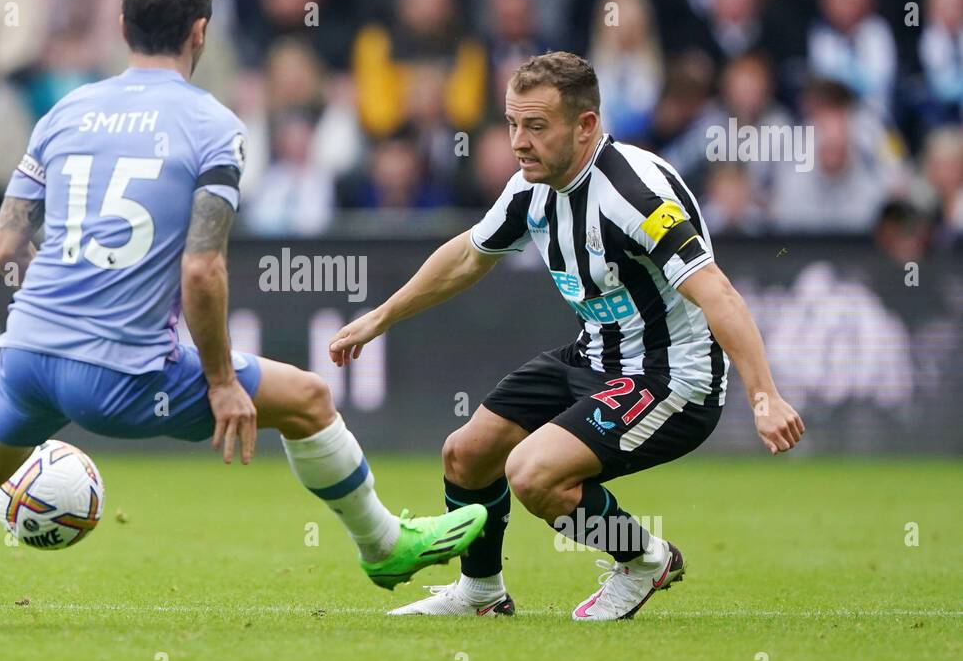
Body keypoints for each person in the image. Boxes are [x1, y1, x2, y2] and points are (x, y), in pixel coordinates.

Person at [0, 0, 485, 625]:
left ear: (123, 24)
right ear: (200, 33)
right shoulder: (213, 126)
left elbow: (4, 245)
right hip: (123, 373)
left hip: (31, 354)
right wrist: (221, 380)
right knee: (307, 399)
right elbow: (201, 271)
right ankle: (383, 547)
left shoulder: (66, 111)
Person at [329, 51, 804, 622]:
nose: (518, 142)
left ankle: (646, 559)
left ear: (585, 126)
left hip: (673, 375)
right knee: (467, 454)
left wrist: (764, 395)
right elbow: (467, 257)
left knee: (532, 473)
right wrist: (382, 316)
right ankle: (481, 593)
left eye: (535, 126)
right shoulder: (530, 186)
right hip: (595, 354)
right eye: (511, 124)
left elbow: (719, 294)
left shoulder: (636, 195)